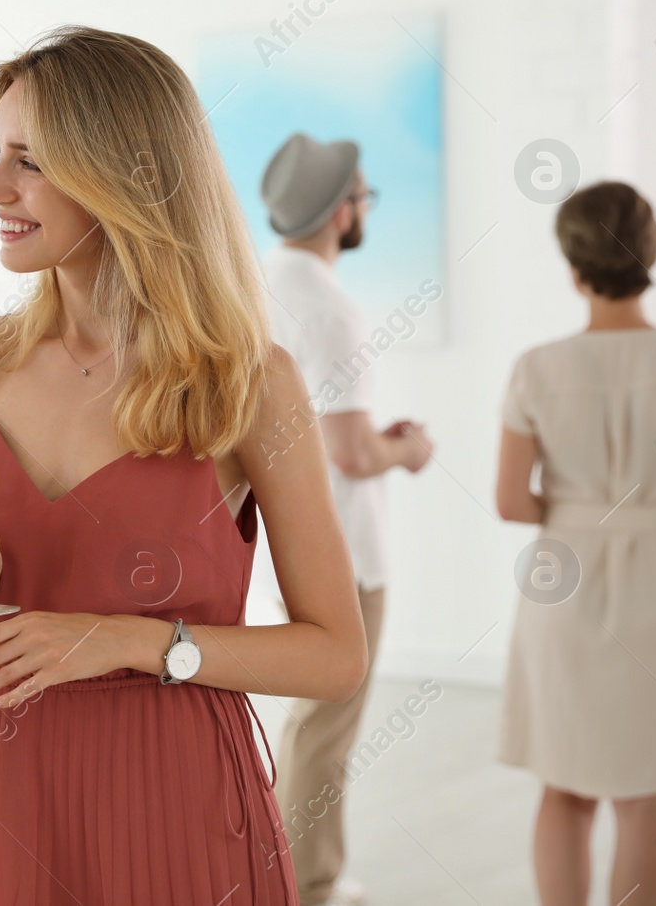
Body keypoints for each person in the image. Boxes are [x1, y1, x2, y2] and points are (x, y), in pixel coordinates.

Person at [0, 26, 369, 905]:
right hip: (10, 793)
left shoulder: (249, 382)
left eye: (28, 160)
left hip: (178, 802)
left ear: (125, 173)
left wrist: (123, 641)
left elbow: (337, 656)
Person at [495, 180, 656, 906]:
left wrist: (577, 515)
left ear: (573, 266)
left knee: (564, 787)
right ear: (651, 254)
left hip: (561, 581)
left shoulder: (536, 366)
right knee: (648, 799)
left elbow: (512, 500)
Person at [258, 133, 433, 906]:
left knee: (308, 722)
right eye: (363, 195)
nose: (365, 207)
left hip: (277, 537)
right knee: (329, 726)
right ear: (341, 212)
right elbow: (351, 450)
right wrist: (410, 449)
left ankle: (289, 869)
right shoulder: (330, 307)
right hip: (344, 550)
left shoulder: (260, 283)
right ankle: (310, 881)